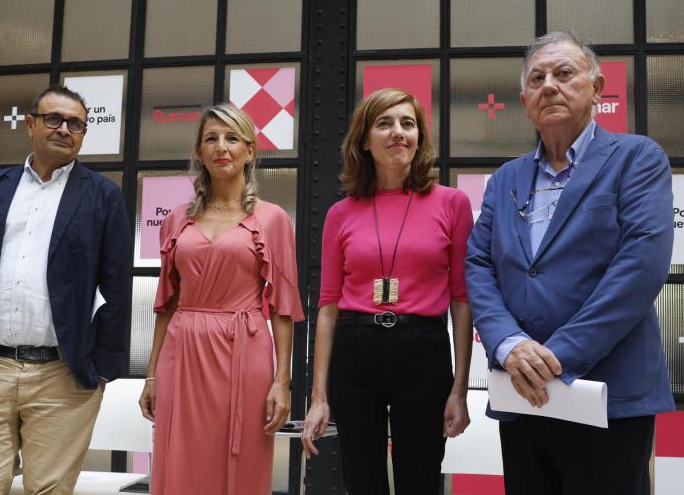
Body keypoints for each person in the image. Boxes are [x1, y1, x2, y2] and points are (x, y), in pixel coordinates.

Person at [466, 31, 675, 495]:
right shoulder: (505, 180)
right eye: (536, 79)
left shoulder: (637, 158)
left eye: (564, 73)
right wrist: (507, 345)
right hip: (522, 396)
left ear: (597, 88)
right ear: (525, 102)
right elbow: (478, 264)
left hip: (607, 395)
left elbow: (641, 265)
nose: (549, 86)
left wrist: (556, 357)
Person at [0, 84, 130, 493]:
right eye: (54, 119)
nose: (64, 129)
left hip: (61, 375)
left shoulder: (103, 196)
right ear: (30, 124)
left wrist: (101, 368)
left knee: (48, 490)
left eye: (75, 124)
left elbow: (117, 287)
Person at [301, 88, 474, 495]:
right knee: (362, 481)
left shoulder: (452, 204)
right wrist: (318, 397)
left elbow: (461, 301)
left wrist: (460, 390)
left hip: (423, 350)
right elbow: (328, 308)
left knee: (420, 480)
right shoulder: (340, 213)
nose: (398, 132)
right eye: (385, 123)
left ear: (419, 138)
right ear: (364, 140)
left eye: (407, 124)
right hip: (355, 352)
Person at [138, 104, 304, 495]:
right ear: (199, 152)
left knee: (242, 457)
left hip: (244, 349)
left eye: (232, 138)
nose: (221, 147)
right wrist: (151, 374)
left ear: (250, 151)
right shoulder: (176, 219)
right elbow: (167, 304)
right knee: (178, 458)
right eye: (211, 139)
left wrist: (282, 382)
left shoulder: (273, 219)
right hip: (182, 350)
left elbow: (282, 310)